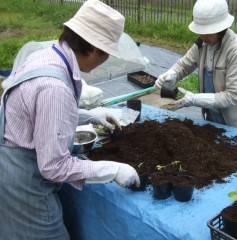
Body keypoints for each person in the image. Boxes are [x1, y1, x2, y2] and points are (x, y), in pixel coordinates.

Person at [0, 1, 140, 239]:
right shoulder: (55, 87)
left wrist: (89, 114)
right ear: (95, 49)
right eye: (106, 54)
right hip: (24, 183)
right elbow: (54, 166)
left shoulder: (46, 55)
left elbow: (41, 116)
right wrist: (112, 169)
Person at [155, 0, 237, 134]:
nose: (203, 36)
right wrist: (172, 74)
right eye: (201, 32)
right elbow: (184, 65)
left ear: (221, 28)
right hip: (213, 120)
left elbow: (232, 95)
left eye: (208, 32)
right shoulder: (202, 44)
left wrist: (194, 99)